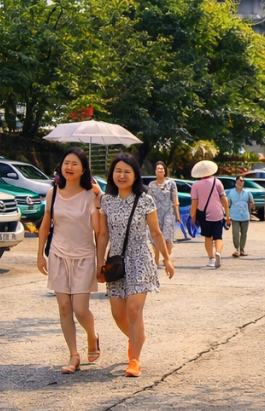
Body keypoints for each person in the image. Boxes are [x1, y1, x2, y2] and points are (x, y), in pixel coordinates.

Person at [99, 153, 174, 377]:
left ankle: (135, 359)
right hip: (116, 261)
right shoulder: (106, 200)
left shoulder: (145, 200)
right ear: (112, 174)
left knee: (133, 309)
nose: (122, 175)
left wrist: (167, 259)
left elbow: (155, 232)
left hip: (141, 258)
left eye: (127, 171)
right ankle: (137, 337)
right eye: (118, 171)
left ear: (135, 175)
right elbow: (103, 234)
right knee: (117, 313)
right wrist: (98, 263)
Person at [37, 147, 105, 374]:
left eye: (75, 164)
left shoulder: (90, 195)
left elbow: (98, 231)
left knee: (80, 308)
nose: (69, 167)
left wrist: (97, 201)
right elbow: (46, 225)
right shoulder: (53, 192)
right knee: (64, 306)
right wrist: (40, 255)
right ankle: (73, 355)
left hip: (84, 256)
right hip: (58, 254)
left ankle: (92, 335)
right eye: (66, 163)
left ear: (84, 169)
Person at [189, 160, 230, 269]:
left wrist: (192, 215)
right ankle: (218, 253)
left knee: (208, 237)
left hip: (204, 214)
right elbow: (224, 198)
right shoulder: (217, 182)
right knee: (218, 237)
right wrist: (227, 214)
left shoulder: (195, 185)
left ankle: (211, 259)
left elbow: (194, 202)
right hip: (218, 213)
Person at [147, 162, 179, 268]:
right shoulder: (151, 185)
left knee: (167, 237)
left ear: (164, 171)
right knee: (156, 237)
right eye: (158, 169)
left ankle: (166, 259)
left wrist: (178, 215)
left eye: (162, 168)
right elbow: (148, 201)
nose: (160, 170)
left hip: (168, 213)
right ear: (155, 171)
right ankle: (156, 261)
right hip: (155, 213)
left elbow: (175, 200)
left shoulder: (171, 183)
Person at [225, 176, 255, 258]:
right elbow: (228, 204)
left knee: (244, 233)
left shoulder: (247, 193)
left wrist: (251, 205)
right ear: (235, 183)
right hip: (234, 216)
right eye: (238, 182)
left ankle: (242, 249)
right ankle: (237, 249)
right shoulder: (231, 192)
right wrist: (227, 216)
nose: (240, 183)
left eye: (242, 182)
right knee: (235, 232)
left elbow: (252, 203)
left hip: (245, 216)